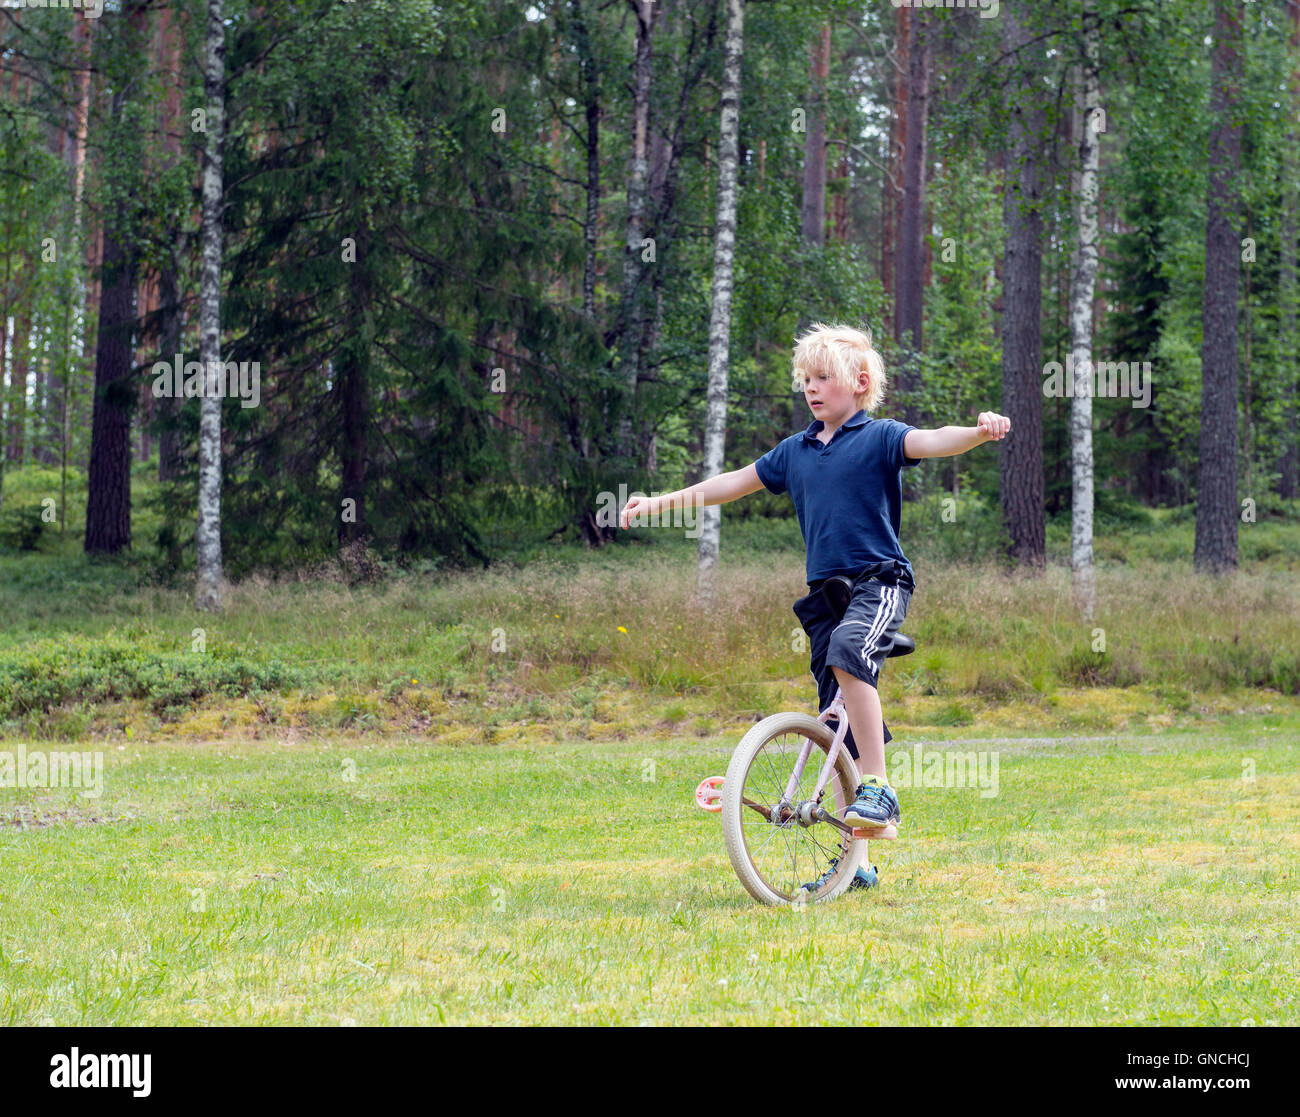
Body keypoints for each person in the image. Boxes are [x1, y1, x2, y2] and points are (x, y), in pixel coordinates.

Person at [619, 322, 1009, 889]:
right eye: (806, 378)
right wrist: (659, 503)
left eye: (824, 377)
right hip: (826, 598)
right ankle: (860, 866)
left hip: (879, 581)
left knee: (851, 651)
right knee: (837, 717)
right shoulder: (794, 453)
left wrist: (977, 433)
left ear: (860, 383)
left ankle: (879, 790)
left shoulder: (879, 437)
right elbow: (730, 484)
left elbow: (931, 439)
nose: (812, 387)